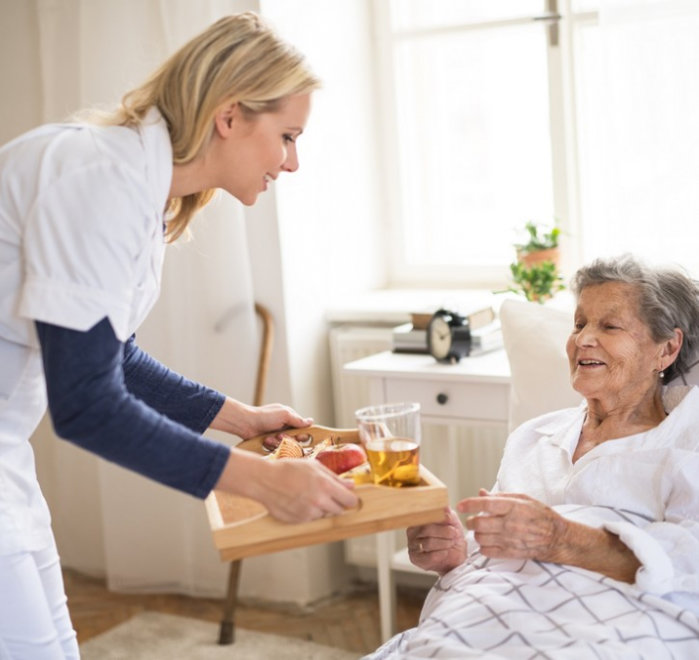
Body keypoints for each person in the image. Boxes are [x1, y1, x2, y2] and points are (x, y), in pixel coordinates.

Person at [0, 12, 358, 659]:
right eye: (287, 135)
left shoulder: (138, 188)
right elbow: (86, 407)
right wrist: (258, 479)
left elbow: (113, 355)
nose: (293, 162)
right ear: (229, 117)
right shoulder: (98, 180)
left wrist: (237, 418)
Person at [367, 254, 699, 659]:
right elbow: (499, 552)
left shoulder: (685, 442)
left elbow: (689, 562)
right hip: (480, 618)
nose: (583, 340)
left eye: (609, 326)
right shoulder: (534, 436)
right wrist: (456, 552)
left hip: (602, 631)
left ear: (666, 350)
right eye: (579, 324)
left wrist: (560, 537)